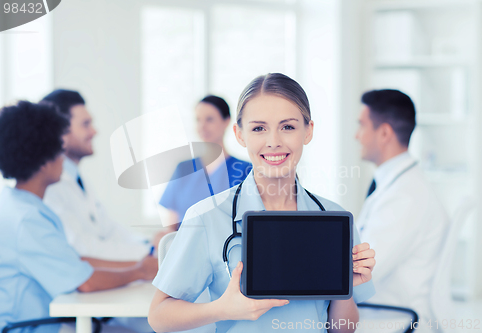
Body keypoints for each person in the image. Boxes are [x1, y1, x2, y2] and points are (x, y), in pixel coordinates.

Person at [149, 73, 376, 333]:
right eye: (259, 128)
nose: (274, 141)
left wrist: (344, 287)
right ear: (240, 134)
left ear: (308, 131)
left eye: (288, 127)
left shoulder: (335, 219)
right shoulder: (206, 216)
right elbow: (158, 316)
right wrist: (221, 309)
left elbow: (342, 330)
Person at [0, 101, 157, 333]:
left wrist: (142, 266)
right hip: (23, 328)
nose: (63, 158)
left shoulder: (18, 206)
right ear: (44, 162)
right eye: (58, 151)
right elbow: (85, 282)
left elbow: (76, 262)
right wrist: (141, 271)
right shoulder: (27, 220)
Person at [355, 89, 449, 326]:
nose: (357, 136)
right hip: (380, 310)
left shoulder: (405, 197)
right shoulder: (400, 185)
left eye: (362, 126)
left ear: (384, 133)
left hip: (389, 317)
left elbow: (363, 275)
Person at [41, 89, 153, 262]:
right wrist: (147, 253)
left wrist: (149, 244)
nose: (94, 132)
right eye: (85, 124)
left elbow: (108, 230)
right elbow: (82, 247)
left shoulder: (78, 179)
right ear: (60, 132)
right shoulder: (50, 186)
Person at [158, 95, 251, 231]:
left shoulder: (245, 171)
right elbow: (171, 228)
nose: (202, 126)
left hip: (228, 249)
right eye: (198, 120)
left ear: (227, 121)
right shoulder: (183, 169)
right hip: (185, 248)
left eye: (209, 119)